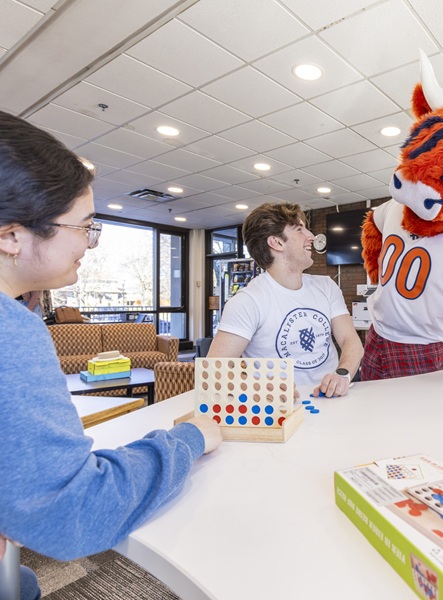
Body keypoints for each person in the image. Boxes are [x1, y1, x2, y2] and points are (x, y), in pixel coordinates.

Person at [0, 110, 222, 598]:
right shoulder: (10, 334)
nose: (90, 243)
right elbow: (74, 511)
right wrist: (186, 439)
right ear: (12, 236)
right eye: (83, 227)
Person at [208, 202, 363, 398]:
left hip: (332, 402)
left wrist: (343, 374)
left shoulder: (327, 286)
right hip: (278, 412)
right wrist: (256, 389)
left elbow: (351, 340)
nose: (311, 236)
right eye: (300, 230)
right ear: (277, 243)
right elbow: (215, 371)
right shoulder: (247, 302)